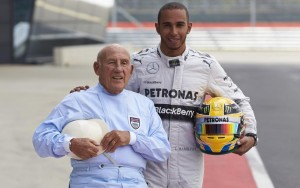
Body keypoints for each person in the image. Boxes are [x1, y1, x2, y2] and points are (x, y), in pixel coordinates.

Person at [71, 2, 258, 188]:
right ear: (157, 27)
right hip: (146, 162)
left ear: (189, 27)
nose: (173, 32)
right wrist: (87, 94)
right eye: (167, 25)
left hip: (188, 164)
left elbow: (239, 100)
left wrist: (251, 134)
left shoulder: (205, 65)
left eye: (179, 25)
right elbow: (110, 93)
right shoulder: (139, 62)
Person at [32, 44, 171, 188]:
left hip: (135, 182)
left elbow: (162, 150)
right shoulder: (78, 100)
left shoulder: (144, 104)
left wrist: (131, 138)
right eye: (111, 62)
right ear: (97, 68)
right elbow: (40, 138)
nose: (118, 69)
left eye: (124, 63)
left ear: (131, 70)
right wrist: (70, 144)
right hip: (90, 180)